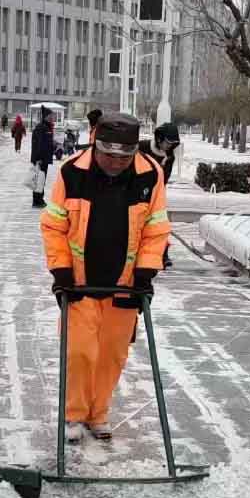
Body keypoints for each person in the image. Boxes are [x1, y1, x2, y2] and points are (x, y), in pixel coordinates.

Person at [41, 112, 171, 443]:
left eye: (124, 157)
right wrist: (61, 272)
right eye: (109, 155)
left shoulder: (149, 175)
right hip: (80, 282)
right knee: (80, 352)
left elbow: (156, 229)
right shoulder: (72, 172)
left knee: (112, 355)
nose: (115, 162)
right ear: (95, 145)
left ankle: (98, 414)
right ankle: (73, 414)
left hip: (125, 283)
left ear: (134, 153)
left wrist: (145, 273)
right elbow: (54, 226)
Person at [138, 123, 180, 268]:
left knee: (158, 226)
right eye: (167, 142)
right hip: (136, 192)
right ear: (159, 138)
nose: (169, 147)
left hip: (155, 194)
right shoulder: (141, 147)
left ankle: (163, 254)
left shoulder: (169, 157)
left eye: (172, 144)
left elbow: (164, 179)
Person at [29, 108, 55, 208]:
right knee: (39, 179)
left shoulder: (46, 127)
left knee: (41, 179)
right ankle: (37, 201)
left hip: (44, 158)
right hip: (40, 159)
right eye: (50, 116)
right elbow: (39, 145)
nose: (52, 117)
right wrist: (38, 159)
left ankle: (40, 199)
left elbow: (46, 143)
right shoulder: (41, 128)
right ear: (46, 117)